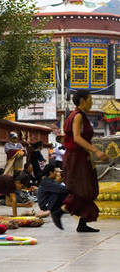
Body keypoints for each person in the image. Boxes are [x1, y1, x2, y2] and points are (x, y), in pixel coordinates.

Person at [51, 91, 109, 232]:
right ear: (82, 100)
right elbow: (76, 138)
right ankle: (60, 211)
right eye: (90, 100)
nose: (91, 103)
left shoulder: (80, 115)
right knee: (81, 189)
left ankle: (82, 224)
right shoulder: (77, 116)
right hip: (76, 158)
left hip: (82, 156)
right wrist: (96, 151)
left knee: (88, 188)